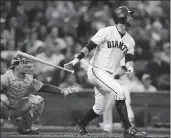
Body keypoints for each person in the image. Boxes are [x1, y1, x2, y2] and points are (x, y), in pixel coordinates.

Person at [64, 6, 147, 137]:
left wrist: (130, 68)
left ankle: (81, 124)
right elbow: (89, 47)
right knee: (119, 91)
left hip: (108, 75)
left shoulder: (130, 40)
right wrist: (75, 61)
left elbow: (129, 58)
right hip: (97, 70)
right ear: (121, 16)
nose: (131, 18)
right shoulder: (106, 31)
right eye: (128, 15)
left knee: (99, 108)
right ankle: (128, 129)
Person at [0, 55, 80, 135]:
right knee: (2, 99)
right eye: (24, 63)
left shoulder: (28, 79)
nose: (27, 65)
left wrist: (62, 91)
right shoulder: (5, 78)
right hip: (5, 109)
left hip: (18, 108)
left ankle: (26, 127)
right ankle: (3, 122)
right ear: (16, 66)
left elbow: (45, 87)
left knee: (38, 100)